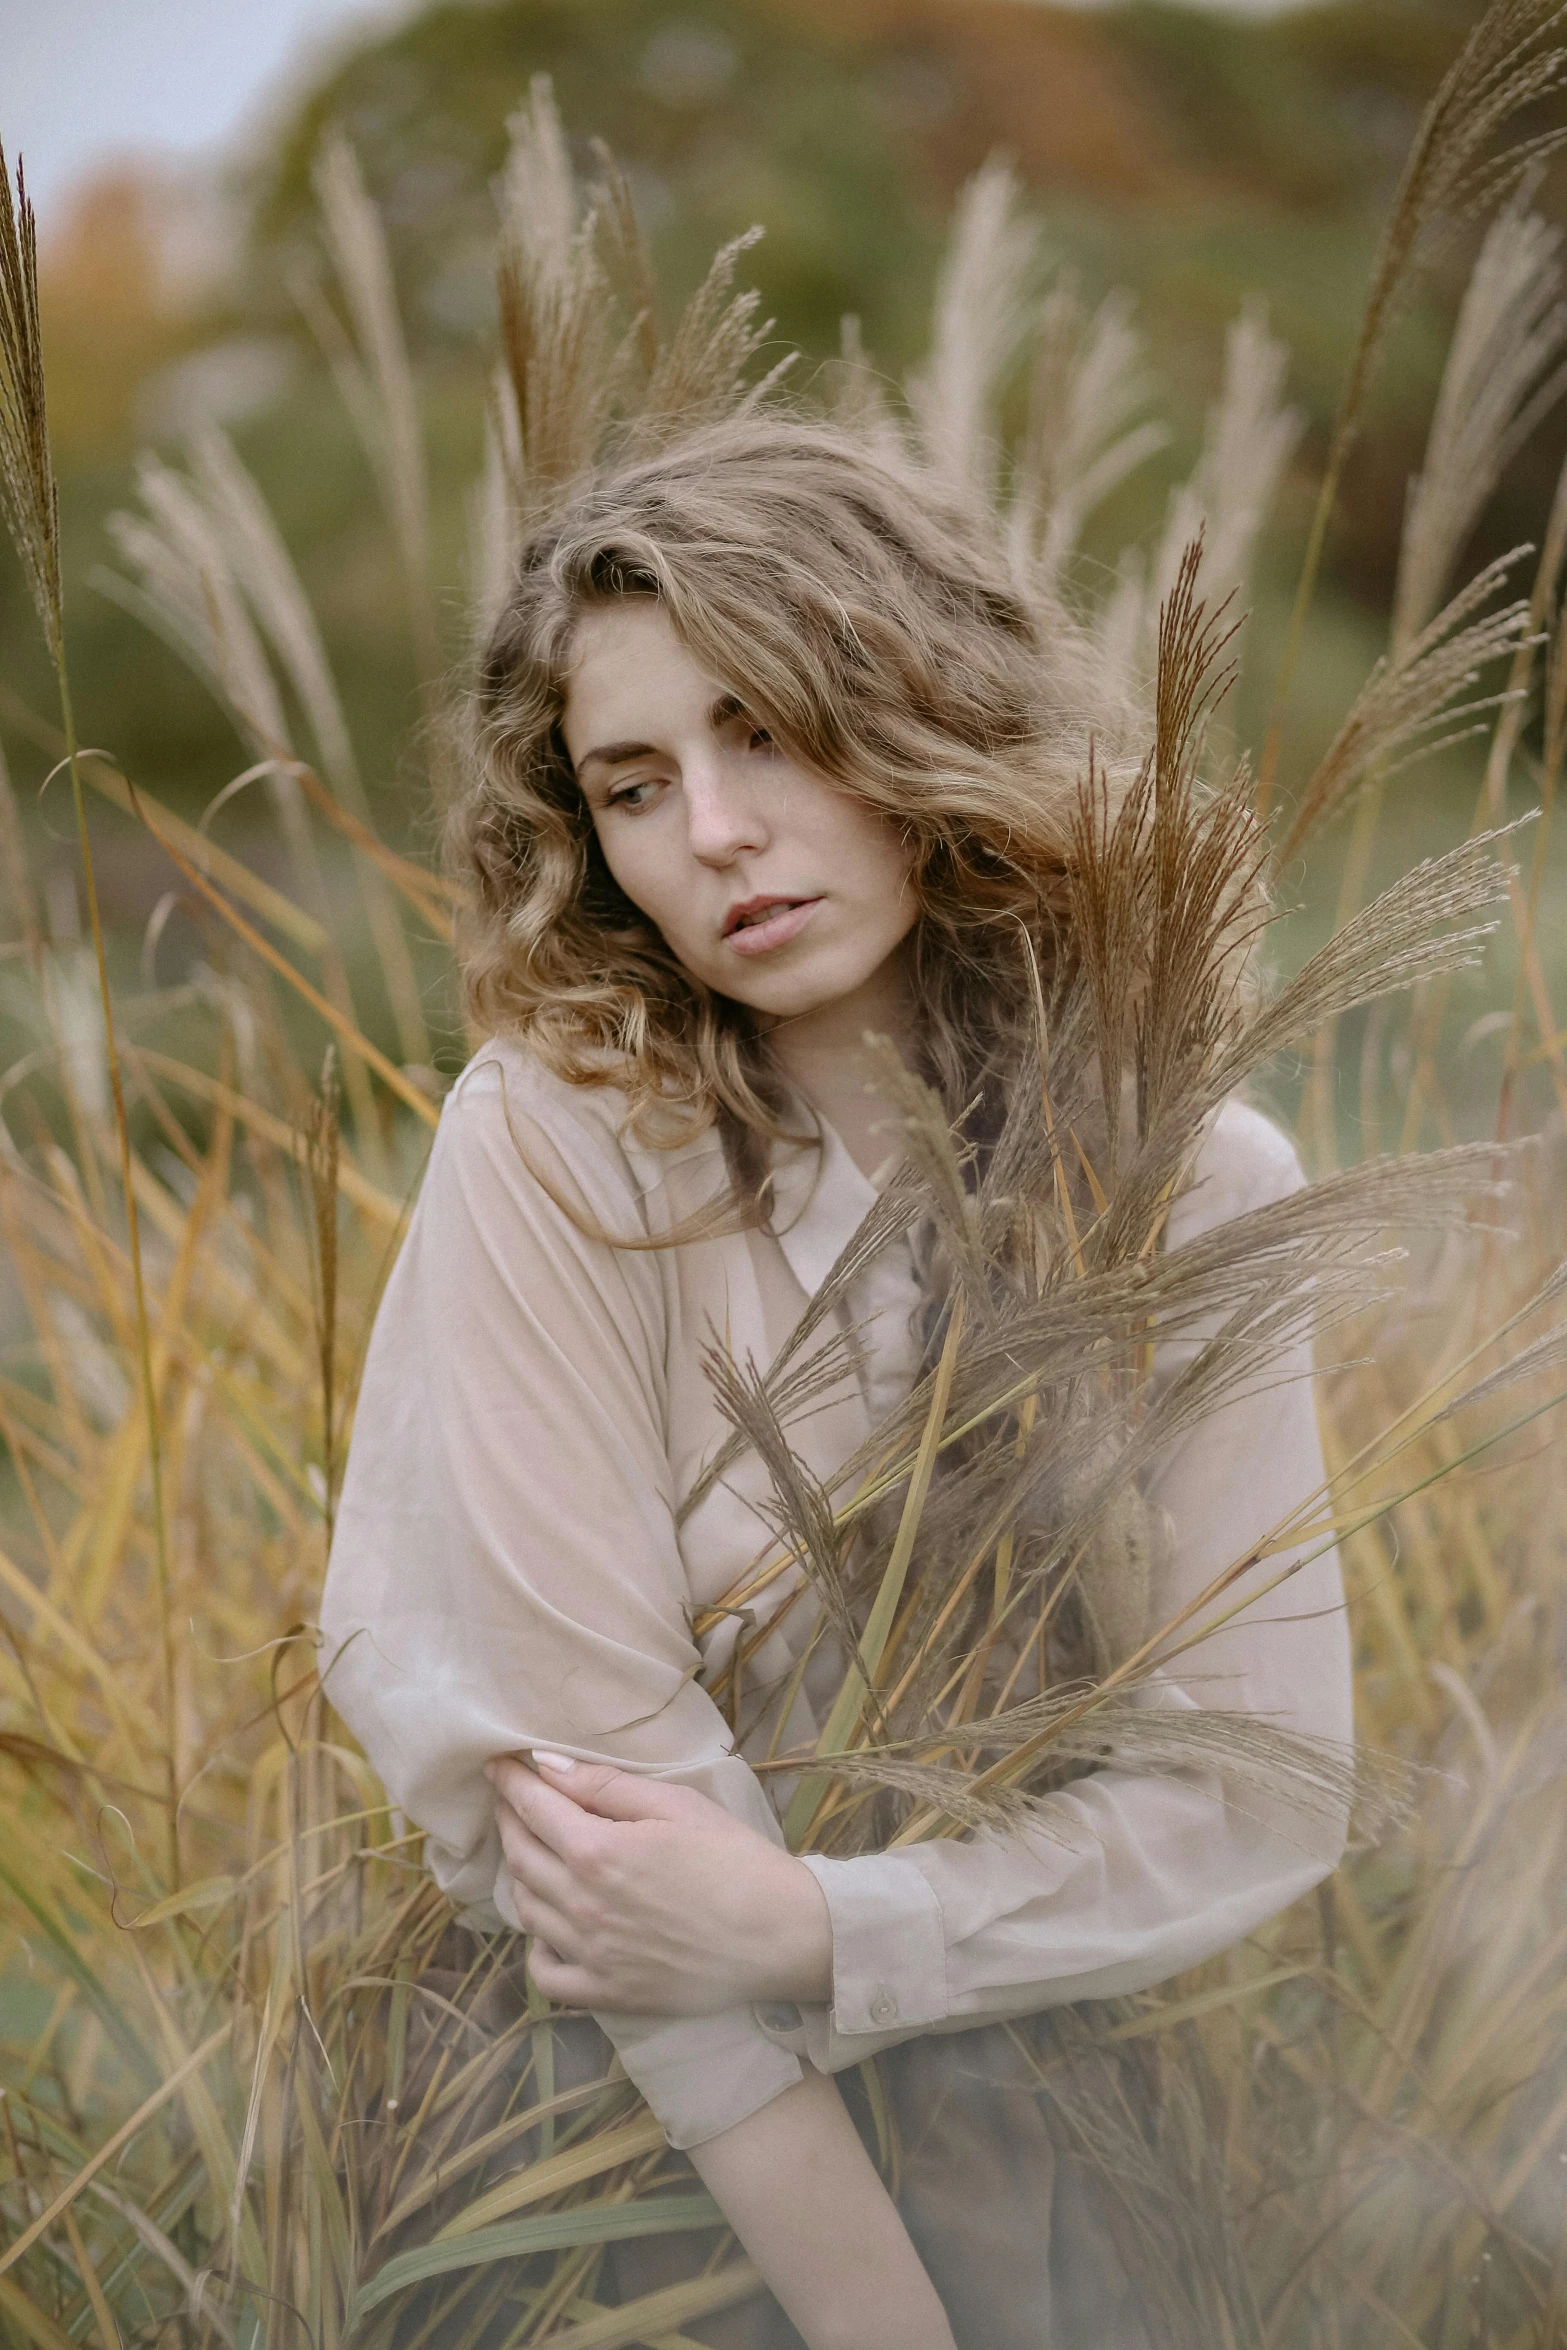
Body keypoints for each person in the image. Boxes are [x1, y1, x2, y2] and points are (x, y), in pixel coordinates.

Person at [319, 417, 1352, 2348]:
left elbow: (1254, 1784)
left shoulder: (1197, 1189)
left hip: (1064, 2136)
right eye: (633, 784)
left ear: (922, 713)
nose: (710, 830)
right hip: (611, 2161)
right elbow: (595, 1805)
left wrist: (823, 1928)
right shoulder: (560, 1143)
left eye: (767, 732)